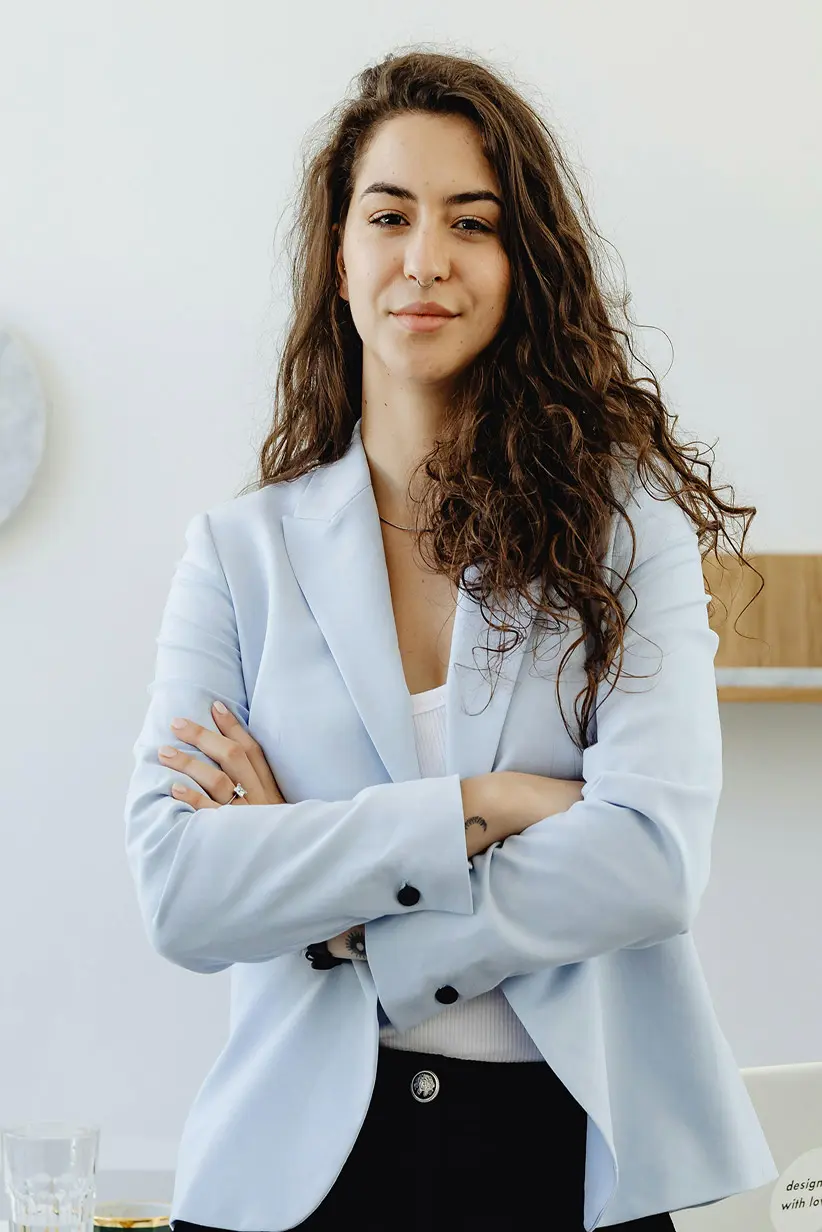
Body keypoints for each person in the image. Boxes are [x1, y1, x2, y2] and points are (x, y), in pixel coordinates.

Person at [124, 47, 777, 1232]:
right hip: (295, 1173)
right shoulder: (238, 553)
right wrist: (488, 802)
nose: (425, 257)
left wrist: (339, 917)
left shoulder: (624, 532)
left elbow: (649, 858)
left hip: (565, 1157)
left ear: (520, 264)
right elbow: (181, 888)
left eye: (471, 223)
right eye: (390, 216)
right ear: (339, 259)